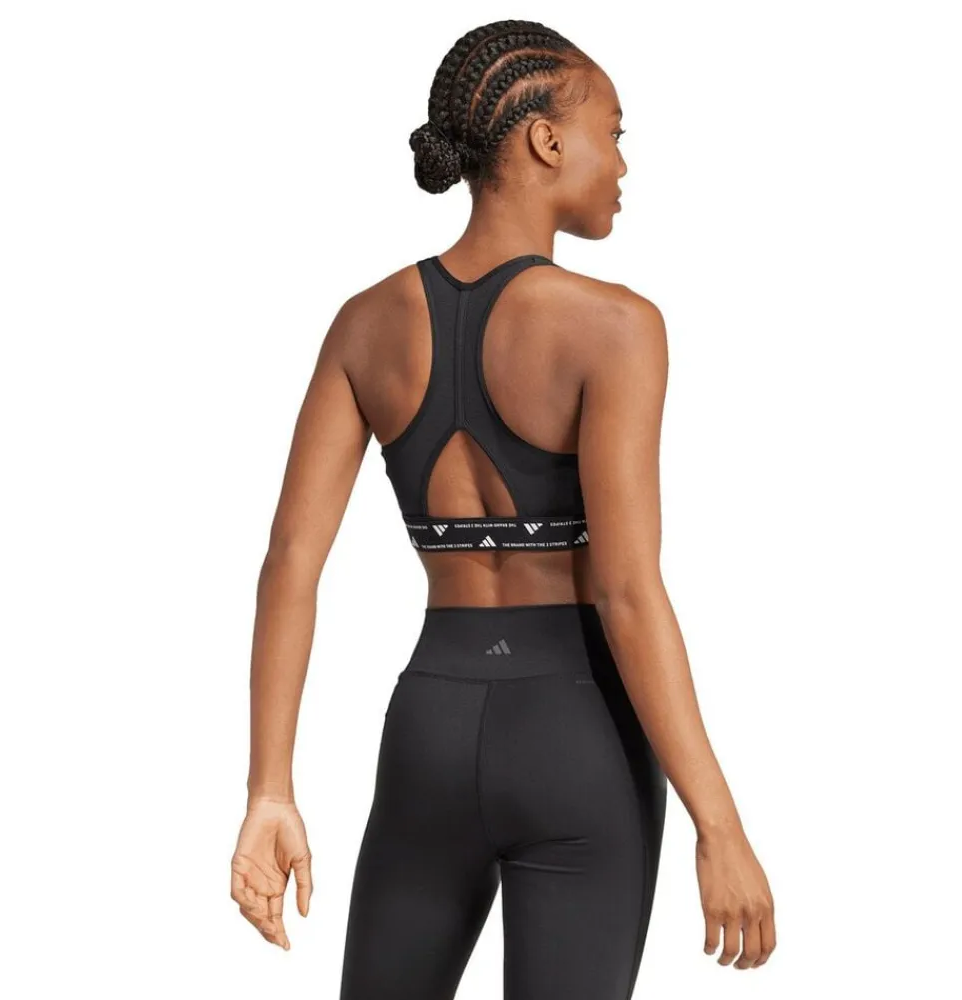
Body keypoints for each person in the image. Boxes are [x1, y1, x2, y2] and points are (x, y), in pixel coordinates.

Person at [230, 18, 776, 999]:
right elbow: (626, 593)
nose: (622, 163)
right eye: (614, 131)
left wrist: (269, 790)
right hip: (579, 735)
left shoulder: (364, 324)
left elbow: (289, 566)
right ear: (546, 139)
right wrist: (720, 825)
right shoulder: (616, 328)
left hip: (428, 730)